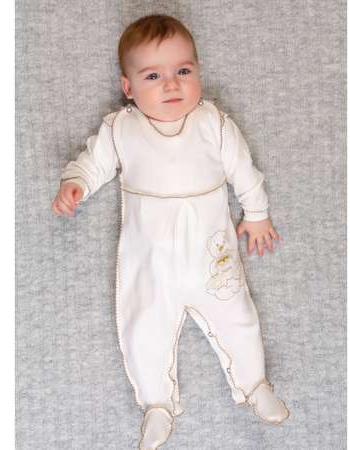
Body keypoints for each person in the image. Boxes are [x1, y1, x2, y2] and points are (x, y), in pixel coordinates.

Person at [51, 14, 290, 450]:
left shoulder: (213, 123)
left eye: (183, 70)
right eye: (153, 76)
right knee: (144, 326)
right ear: (128, 87)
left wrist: (256, 212)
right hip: (150, 258)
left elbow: (244, 169)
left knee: (236, 315)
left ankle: (255, 384)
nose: (171, 85)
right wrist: (77, 183)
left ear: (198, 72)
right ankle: (157, 404)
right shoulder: (121, 128)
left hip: (209, 252)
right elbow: (93, 163)